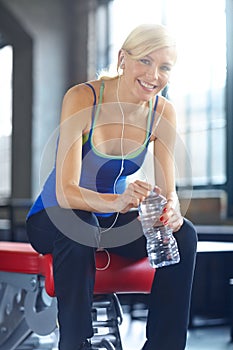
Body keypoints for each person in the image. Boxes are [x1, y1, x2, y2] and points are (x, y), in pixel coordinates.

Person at [26, 24, 197, 350]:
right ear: (123, 59)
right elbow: (65, 191)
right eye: (145, 61)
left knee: (184, 233)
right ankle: (76, 343)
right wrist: (118, 202)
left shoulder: (163, 112)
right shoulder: (82, 98)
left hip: (104, 219)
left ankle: (165, 345)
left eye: (164, 67)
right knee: (79, 222)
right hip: (53, 216)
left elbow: (169, 190)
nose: (154, 75)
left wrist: (170, 210)